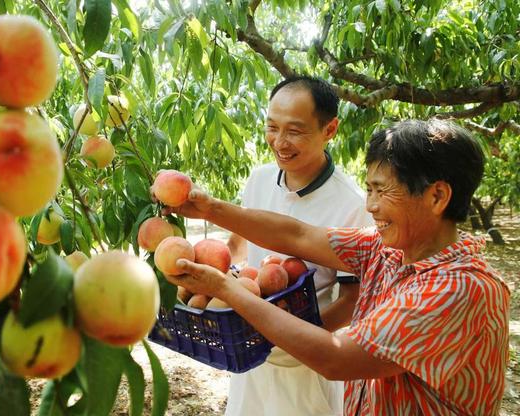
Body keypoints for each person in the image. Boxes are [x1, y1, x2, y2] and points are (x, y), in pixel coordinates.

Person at [161, 119, 510, 415]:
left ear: (436, 197)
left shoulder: (458, 289)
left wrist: (226, 290)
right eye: (369, 190)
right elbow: (297, 235)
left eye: (380, 190)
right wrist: (209, 209)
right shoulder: (387, 250)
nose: (370, 206)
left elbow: (336, 359)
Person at [225, 75, 373, 415]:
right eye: (272, 127)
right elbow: (238, 244)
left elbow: (352, 299)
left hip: (304, 366)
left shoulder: (352, 205)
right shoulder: (259, 180)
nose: (279, 141)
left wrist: (296, 339)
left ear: (330, 130)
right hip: (251, 353)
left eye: (294, 130)